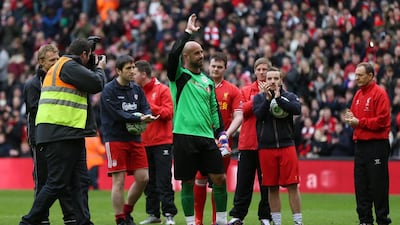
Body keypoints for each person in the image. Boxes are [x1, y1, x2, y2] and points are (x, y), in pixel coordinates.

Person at [19, 38, 107, 225]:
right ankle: (27, 222)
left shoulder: (64, 67)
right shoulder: (67, 66)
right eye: (89, 57)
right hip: (60, 131)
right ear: (84, 55)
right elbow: (97, 84)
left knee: (80, 182)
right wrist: (100, 68)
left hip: (69, 132)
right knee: (56, 183)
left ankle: (83, 222)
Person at [167, 14, 228, 225]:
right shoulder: (179, 76)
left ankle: (221, 221)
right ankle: (192, 222)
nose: (201, 56)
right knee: (188, 182)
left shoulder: (207, 81)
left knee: (220, 178)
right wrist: (187, 33)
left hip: (206, 137)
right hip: (184, 135)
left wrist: (221, 132)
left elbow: (214, 109)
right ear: (186, 57)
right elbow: (173, 54)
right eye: (196, 53)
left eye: (202, 52)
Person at [100, 55, 159, 225]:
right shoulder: (109, 90)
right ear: (118, 71)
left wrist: (147, 114)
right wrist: (138, 118)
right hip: (115, 139)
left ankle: (127, 211)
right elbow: (117, 114)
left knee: (143, 178)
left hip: (135, 138)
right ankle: (120, 219)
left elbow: (145, 106)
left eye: (133, 67)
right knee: (119, 181)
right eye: (128, 68)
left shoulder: (136, 89)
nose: (133, 71)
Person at [23, 44, 76, 224]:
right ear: (41, 62)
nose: (55, 63)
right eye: (52, 60)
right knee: (43, 179)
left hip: (58, 136)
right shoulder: (32, 84)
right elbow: (35, 112)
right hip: (40, 139)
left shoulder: (61, 78)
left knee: (63, 179)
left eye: (57, 59)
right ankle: (41, 218)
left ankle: (69, 217)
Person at [194, 52, 243, 225]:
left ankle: (217, 220)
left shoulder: (233, 90)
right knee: (199, 178)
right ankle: (198, 220)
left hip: (223, 143)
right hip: (201, 140)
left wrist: (225, 136)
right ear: (209, 66)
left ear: (225, 68)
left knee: (218, 180)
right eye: (213, 66)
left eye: (219, 67)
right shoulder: (198, 85)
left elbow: (238, 116)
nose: (215, 69)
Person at [253, 66, 303, 225]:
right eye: (269, 79)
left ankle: (298, 222)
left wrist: (279, 97)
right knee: (271, 187)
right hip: (266, 148)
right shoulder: (259, 98)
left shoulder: (290, 96)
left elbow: (296, 110)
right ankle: (277, 222)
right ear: (265, 80)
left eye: (276, 78)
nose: (273, 81)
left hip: (287, 145)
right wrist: (268, 100)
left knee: (292, 185)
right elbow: (258, 115)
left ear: (281, 80)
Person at [344, 62, 392, 225]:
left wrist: (359, 122)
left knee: (378, 185)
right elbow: (355, 118)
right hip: (360, 145)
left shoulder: (380, 94)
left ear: (370, 76)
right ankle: (365, 220)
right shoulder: (358, 95)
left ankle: (382, 219)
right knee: (361, 185)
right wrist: (350, 119)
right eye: (356, 75)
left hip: (376, 145)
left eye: (360, 75)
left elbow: (382, 122)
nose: (356, 78)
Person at [132, 60, 177, 225]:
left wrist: (150, 107)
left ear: (143, 74)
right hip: (143, 142)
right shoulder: (135, 92)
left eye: (135, 72)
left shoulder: (162, 89)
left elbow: (169, 113)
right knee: (148, 181)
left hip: (161, 142)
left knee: (164, 180)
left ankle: (169, 214)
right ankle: (153, 214)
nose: (132, 75)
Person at [228, 58, 272, 225]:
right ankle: (238, 215)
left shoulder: (275, 89)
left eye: (265, 69)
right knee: (243, 183)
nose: (262, 72)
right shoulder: (245, 90)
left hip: (266, 143)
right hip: (247, 143)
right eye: (259, 69)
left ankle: (265, 216)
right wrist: (261, 97)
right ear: (255, 71)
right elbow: (242, 111)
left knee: (266, 184)